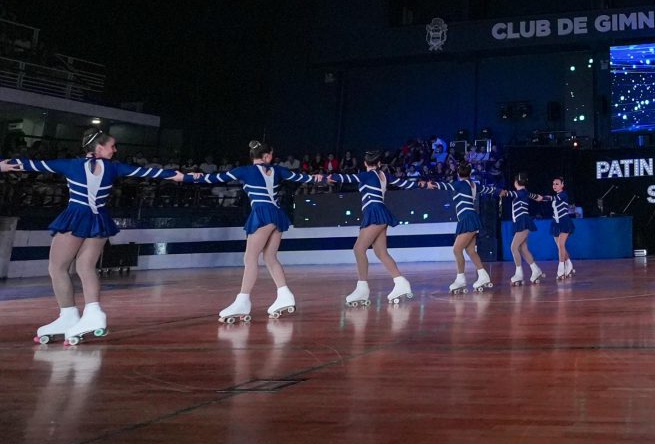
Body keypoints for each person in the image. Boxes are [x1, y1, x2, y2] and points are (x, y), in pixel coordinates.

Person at [2, 129, 184, 344]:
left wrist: (4, 165)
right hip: (99, 219)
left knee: (57, 267)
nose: (115, 150)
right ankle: (94, 314)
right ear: (99, 148)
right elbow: (150, 172)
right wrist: (182, 176)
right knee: (85, 267)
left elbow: (30, 165)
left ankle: (68, 316)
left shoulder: (70, 165)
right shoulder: (114, 167)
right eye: (112, 146)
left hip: (76, 217)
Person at [185, 141, 323, 322]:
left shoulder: (244, 171)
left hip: (262, 214)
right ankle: (285, 295)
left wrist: (193, 177)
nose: (272, 157)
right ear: (265, 156)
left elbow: (213, 178)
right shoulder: (278, 170)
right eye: (271, 154)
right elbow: (303, 178)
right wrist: (320, 178)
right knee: (270, 257)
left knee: (250, 258)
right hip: (277, 214)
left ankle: (243, 300)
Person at [326, 149, 421, 306]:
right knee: (381, 252)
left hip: (374, 212)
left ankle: (362, 289)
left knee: (358, 249)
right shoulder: (384, 175)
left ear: (365, 163)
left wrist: (330, 177)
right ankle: (401, 282)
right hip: (380, 212)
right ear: (379, 163)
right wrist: (421, 184)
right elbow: (405, 183)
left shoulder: (367, 175)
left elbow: (348, 178)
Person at [428, 163, 502, 293]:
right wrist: (500, 191)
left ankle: (460, 280)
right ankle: (483, 276)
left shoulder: (460, 184)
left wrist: (432, 184)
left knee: (457, 249)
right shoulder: (473, 185)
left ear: (458, 173)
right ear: (470, 173)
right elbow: (487, 189)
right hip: (470, 218)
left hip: (467, 218)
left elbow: (445, 186)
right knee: (470, 250)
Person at [506, 173, 545, 286]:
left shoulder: (519, 193)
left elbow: (507, 193)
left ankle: (519, 274)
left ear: (516, 183)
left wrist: (498, 191)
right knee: (523, 248)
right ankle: (536, 270)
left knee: (514, 247)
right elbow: (539, 198)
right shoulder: (525, 192)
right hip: (521, 222)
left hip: (523, 221)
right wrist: (539, 197)